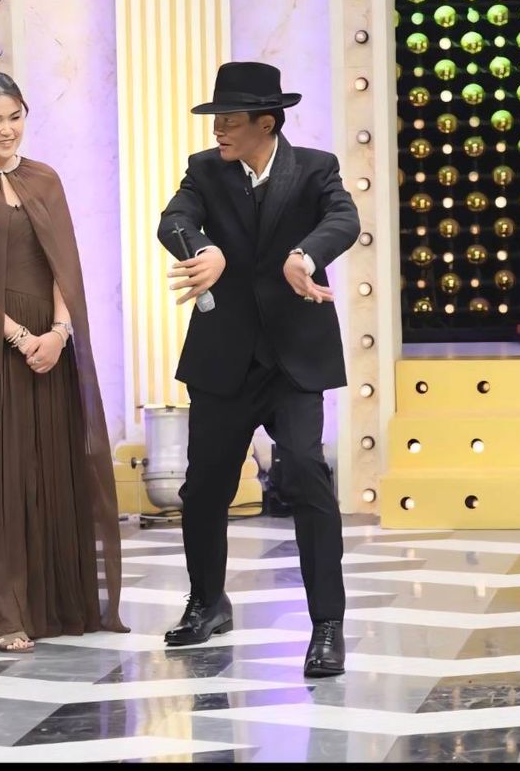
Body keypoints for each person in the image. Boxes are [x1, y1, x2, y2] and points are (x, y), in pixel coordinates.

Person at [157, 61, 360, 677]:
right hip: (225, 358)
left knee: (306, 474)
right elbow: (174, 220)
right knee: (204, 487)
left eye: (230, 120)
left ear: (266, 123)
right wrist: (203, 248)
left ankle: (327, 625)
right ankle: (207, 601)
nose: (218, 129)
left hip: (294, 358)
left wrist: (306, 255)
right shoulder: (205, 170)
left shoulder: (316, 168)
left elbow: (343, 219)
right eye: (216, 118)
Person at [0, 65, 127, 653]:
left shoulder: (44, 178)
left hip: (51, 345)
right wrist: (18, 337)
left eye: (16, 118)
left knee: (47, 471)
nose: (7, 130)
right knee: (3, 478)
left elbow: (66, 262)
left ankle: (52, 604)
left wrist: (59, 333)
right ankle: (2, 611)